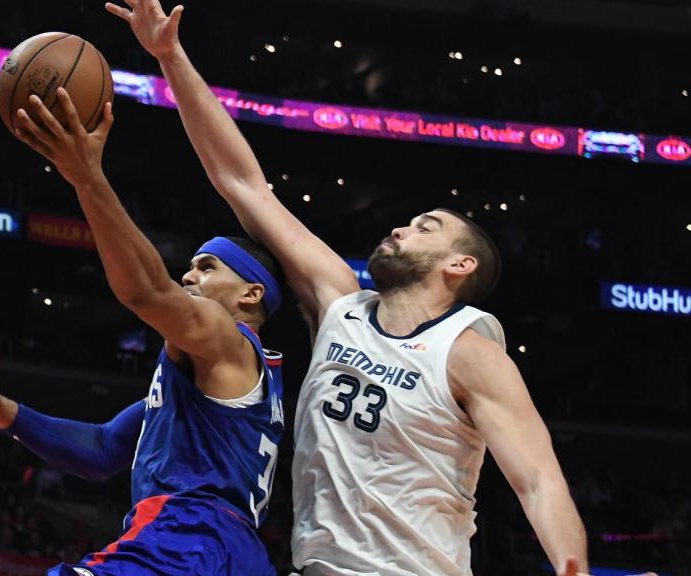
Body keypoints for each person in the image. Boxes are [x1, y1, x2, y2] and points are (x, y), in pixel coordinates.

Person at [106, 1, 593, 575]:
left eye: (424, 228)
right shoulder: (339, 304)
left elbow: (536, 478)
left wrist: (571, 564)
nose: (400, 227)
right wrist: (171, 57)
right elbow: (243, 184)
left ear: (459, 266)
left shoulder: (470, 353)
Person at [0, 90, 286, 574]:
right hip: (232, 554)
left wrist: (87, 177)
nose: (189, 277)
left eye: (207, 266)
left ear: (251, 295)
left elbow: (147, 291)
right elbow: (102, 450)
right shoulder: (213, 393)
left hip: (189, 539)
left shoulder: (227, 337)